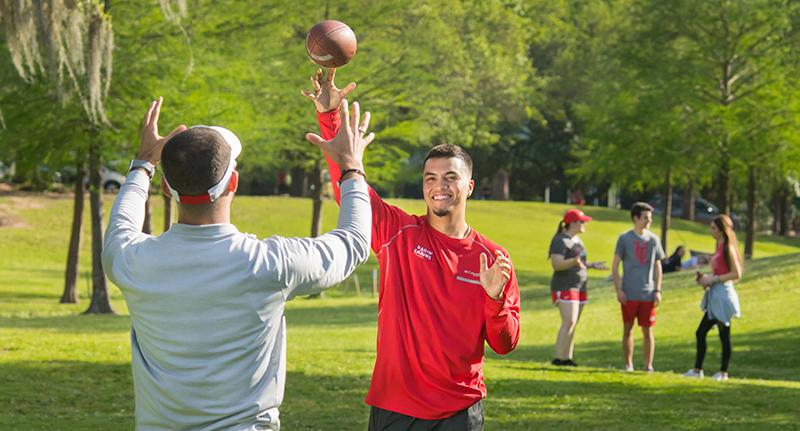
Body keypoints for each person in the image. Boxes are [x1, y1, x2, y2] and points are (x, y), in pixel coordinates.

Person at [102, 97, 373, 430]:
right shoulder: (270, 265)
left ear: (165, 189)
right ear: (233, 183)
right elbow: (354, 242)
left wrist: (141, 164)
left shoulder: (130, 261)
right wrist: (351, 166)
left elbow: (122, 222)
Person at [302, 68, 520, 430]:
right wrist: (329, 117)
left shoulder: (492, 258)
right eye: (431, 178)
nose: (440, 187)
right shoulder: (398, 232)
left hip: (459, 412)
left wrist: (494, 300)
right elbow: (350, 190)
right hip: (395, 407)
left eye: (451, 178)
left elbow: (505, 343)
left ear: (469, 186)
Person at [683, 214, 743, 381]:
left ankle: (723, 372)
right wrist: (705, 279)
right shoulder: (719, 246)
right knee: (700, 333)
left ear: (722, 230)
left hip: (723, 295)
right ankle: (697, 370)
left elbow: (736, 274)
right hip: (715, 294)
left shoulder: (728, 248)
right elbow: (719, 272)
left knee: (723, 334)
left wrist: (713, 279)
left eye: (714, 228)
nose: (711, 231)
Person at [548, 209, 607, 366]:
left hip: (580, 286)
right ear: (573, 223)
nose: (584, 224)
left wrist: (592, 265)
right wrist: (574, 262)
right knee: (569, 321)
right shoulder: (560, 240)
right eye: (582, 221)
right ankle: (558, 358)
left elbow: (579, 262)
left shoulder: (577, 241)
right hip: (565, 286)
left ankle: (567, 357)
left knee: (573, 323)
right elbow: (557, 264)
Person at [612, 202, 666, 372]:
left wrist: (657, 290)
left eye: (650, 218)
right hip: (628, 293)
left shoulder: (653, 239)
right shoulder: (624, 239)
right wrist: (619, 290)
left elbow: (658, 266)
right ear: (636, 218)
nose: (649, 221)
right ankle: (629, 364)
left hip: (648, 294)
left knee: (648, 331)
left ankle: (648, 366)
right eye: (646, 218)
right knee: (627, 329)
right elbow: (615, 266)